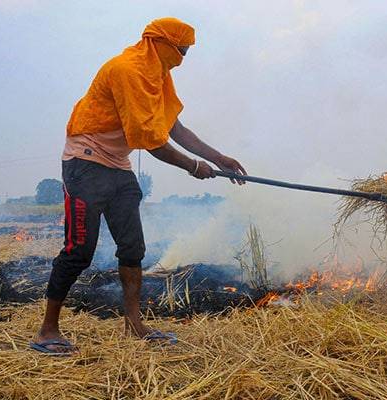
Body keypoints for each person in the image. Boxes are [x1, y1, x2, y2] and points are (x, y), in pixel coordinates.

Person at [30, 17, 247, 354]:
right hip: (85, 162)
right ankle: (47, 330)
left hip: (118, 165)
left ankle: (134, 325)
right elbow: (149, 140)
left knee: (133, 249)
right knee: (79, 251)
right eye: (182, 50)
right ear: (160, 43)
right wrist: (193, 166)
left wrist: (219, 158)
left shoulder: (158, 77)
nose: (184, 58)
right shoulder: (128, 70)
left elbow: (174, 128)